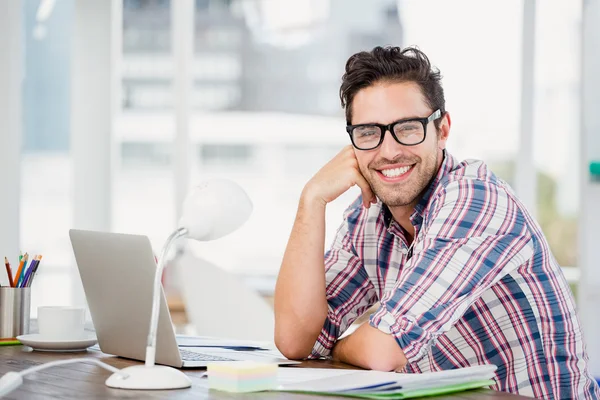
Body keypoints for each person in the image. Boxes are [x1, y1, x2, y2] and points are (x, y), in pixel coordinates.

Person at [273, 45, 600, 399]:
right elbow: (295, 340)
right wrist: (312, 199)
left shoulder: (474, 200)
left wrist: (340, 346)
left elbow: (384, 350)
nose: (388, 151)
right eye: (369, 132)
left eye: (408, 128)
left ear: (442, 130)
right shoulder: (367, 216)